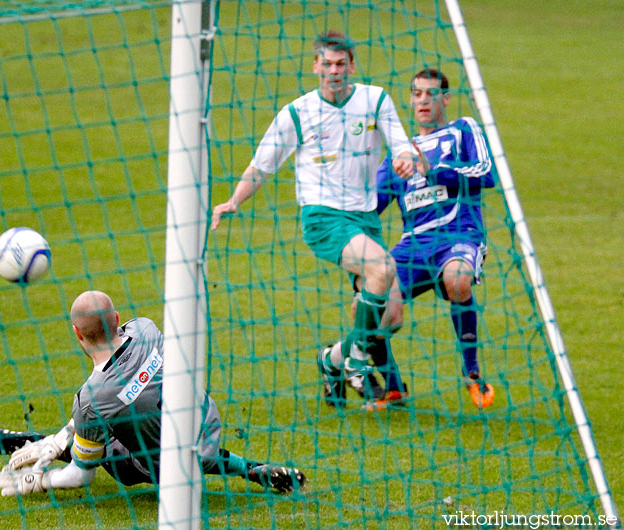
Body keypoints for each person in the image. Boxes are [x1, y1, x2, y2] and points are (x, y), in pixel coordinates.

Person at [210, 30, 416, 407]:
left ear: (352, 66)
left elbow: (403, 146)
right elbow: (262, 165)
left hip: (365, 218)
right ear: (315, 66)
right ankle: (355, 363)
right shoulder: (297, 113)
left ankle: (331, 360)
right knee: (382, 268)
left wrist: (406, 160)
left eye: (341, 65)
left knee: (391, 318)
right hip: (322, 217)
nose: (334, 72)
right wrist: (233, 201)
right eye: (327, 65)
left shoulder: (375, 100)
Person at [0, 290, 306, 496]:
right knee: (124, 423)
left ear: (76, 333)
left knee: (103, 446)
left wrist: (42, 481)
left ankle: (48, 443)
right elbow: (126, 385)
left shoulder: (91, 399)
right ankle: (252, 470)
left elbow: (80, 478)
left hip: (154, 466)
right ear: (116, 319)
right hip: (205, 422)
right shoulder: (145, 328)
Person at [361, 68, 497, 409]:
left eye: (431, 93)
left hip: (458, 234)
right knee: (376, 310)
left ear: (445, 99)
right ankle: (393, 389)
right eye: (417, 93)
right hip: (412, 245)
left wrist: (433, 171)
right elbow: (373, 204)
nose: (423, 100)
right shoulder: (398, 152)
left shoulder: (462, 129)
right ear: (410, 99)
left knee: (458, 278)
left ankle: (473, 374)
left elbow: (485, 172)